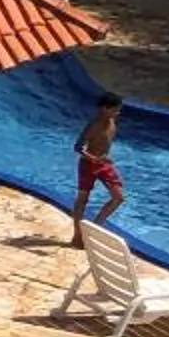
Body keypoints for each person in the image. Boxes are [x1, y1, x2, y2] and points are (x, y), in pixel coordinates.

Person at [71, 92, 125, 244]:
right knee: (83, 199)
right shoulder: (94, 125)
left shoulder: (112, 120)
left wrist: (103, 160)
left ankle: (94, 228)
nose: (118, 112)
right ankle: (77, 235)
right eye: (115, 109)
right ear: (105, 109)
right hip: (88, 164)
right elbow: (78, 147)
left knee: (118, 197)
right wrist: (95, 159)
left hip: (104, 165)